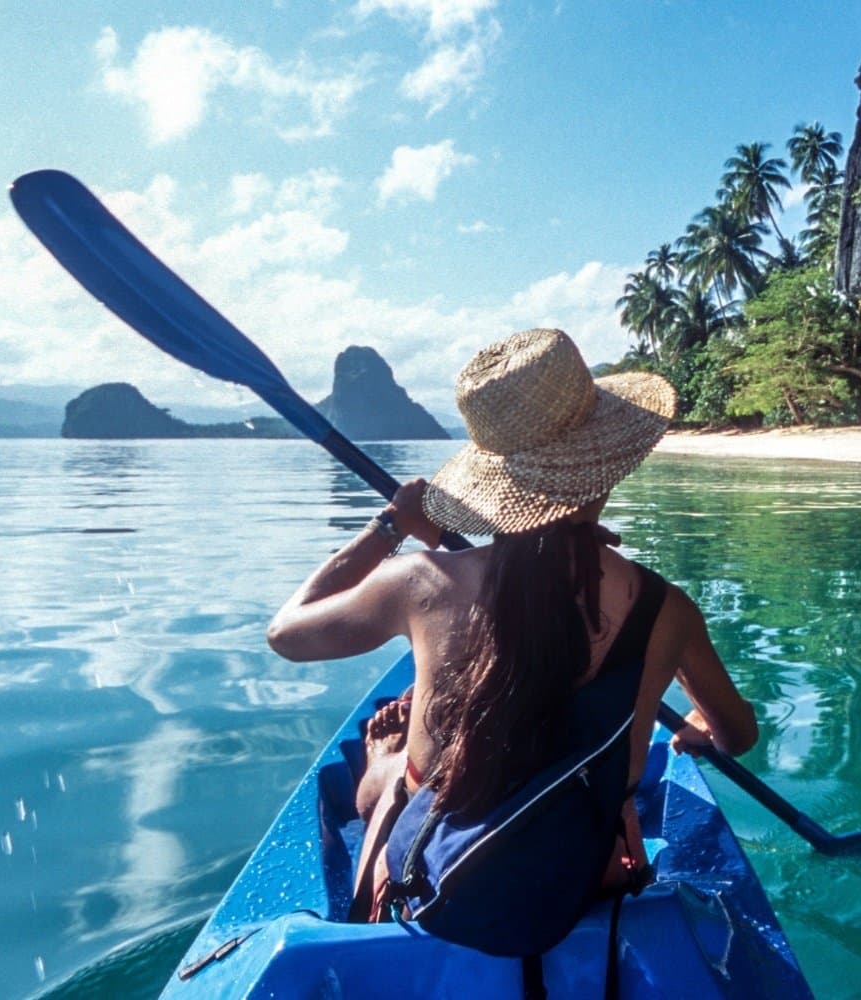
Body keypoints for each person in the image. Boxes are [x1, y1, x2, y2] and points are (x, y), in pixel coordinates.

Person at [264, 327, 759, 919]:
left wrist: (390, 528)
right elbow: (738, 737)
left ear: (491, 481)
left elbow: (286, 634)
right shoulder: (665, 608)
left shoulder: (421, 582)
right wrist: (701, 724)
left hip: (434, 883)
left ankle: (391, 764)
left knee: (401, 773)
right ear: (606, 464)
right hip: (588, 884)